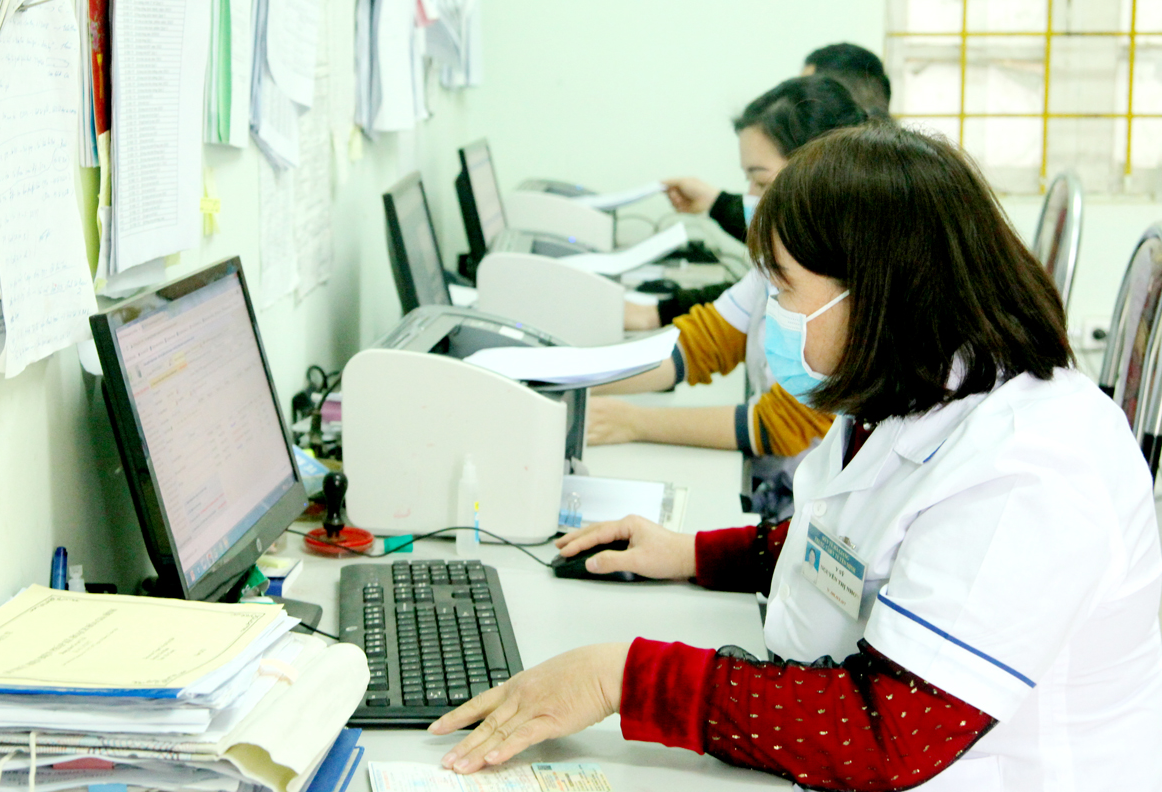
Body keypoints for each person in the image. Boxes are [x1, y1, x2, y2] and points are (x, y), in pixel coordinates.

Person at [429, 123, 1162, 790]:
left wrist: (623, 676)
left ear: (876, 293)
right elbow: (856, 550)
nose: (770, 314)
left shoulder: (1030, 468)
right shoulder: (909, 391)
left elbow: (884, 731)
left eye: (784, 288)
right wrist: (695, 553)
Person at [596, 77, 865, 520]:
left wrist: (632, 421)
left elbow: (782, 425)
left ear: (816, 172)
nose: (750, 200)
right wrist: (570, 381)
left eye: (759, 182)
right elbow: (698, 345)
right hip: (779, 498)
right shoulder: (772, 264)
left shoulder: (850, 288)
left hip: (812, 517)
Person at [626, 43, 890, 333]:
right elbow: (732, 315)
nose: (798, 99)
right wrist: (714, 202)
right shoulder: (793, 261)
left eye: (762, 182)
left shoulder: (866, 287)